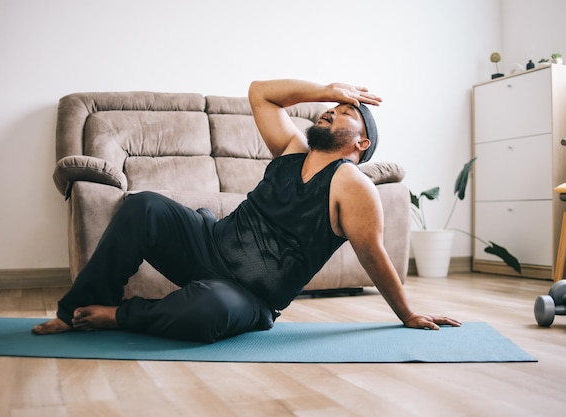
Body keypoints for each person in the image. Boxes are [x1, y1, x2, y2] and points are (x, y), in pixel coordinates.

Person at [33, 79, 461, 343]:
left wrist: (407, 314)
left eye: (346, 112)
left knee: (208, 310)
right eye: (331, 108)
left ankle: (118, 317)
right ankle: (77, 312)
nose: (332, 110)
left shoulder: (354, 184)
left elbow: (373, 255)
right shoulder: (293, 148)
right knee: (142, 206)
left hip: (250, 297)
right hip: (208, 247)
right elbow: (261, 93)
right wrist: (329, 89)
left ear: (361, 143)